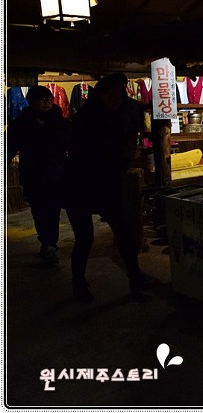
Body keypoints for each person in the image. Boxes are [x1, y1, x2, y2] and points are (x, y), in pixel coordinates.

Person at [64, 73, 149, 302]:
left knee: (124, 232)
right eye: (113, 96)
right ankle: (79, 284)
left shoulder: (119, 116)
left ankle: (135, 279)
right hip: (79, 184)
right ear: (101, 95)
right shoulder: (85, 119)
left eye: (120, 96)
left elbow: (124, 145)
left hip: (106, 183)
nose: (117, 100)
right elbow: (86, 153)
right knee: (85, 238)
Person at [6, 86, 71, 264]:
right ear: (31, 102)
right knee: (39, 210)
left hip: (56, 174)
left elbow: (73, 144)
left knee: (53, 210)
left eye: (49, 99)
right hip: (33, 175)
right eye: (42, 100)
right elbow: (8, 147)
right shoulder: (21, 124)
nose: (47, 103)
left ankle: (50, 244)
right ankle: (46, 241)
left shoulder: (60, 122)